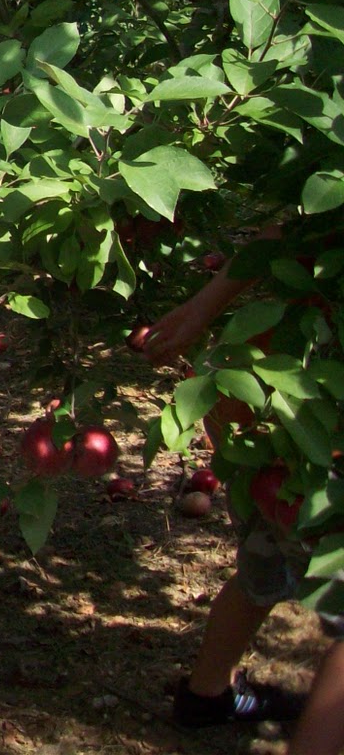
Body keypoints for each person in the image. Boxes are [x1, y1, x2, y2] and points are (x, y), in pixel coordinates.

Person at [138, 227, 310, 730]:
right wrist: (200, 310)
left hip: (273, 407)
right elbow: (284, 236)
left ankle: (205, 695)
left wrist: (203, 308)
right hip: (295, 415)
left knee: (264, 560)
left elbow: (280, 235)